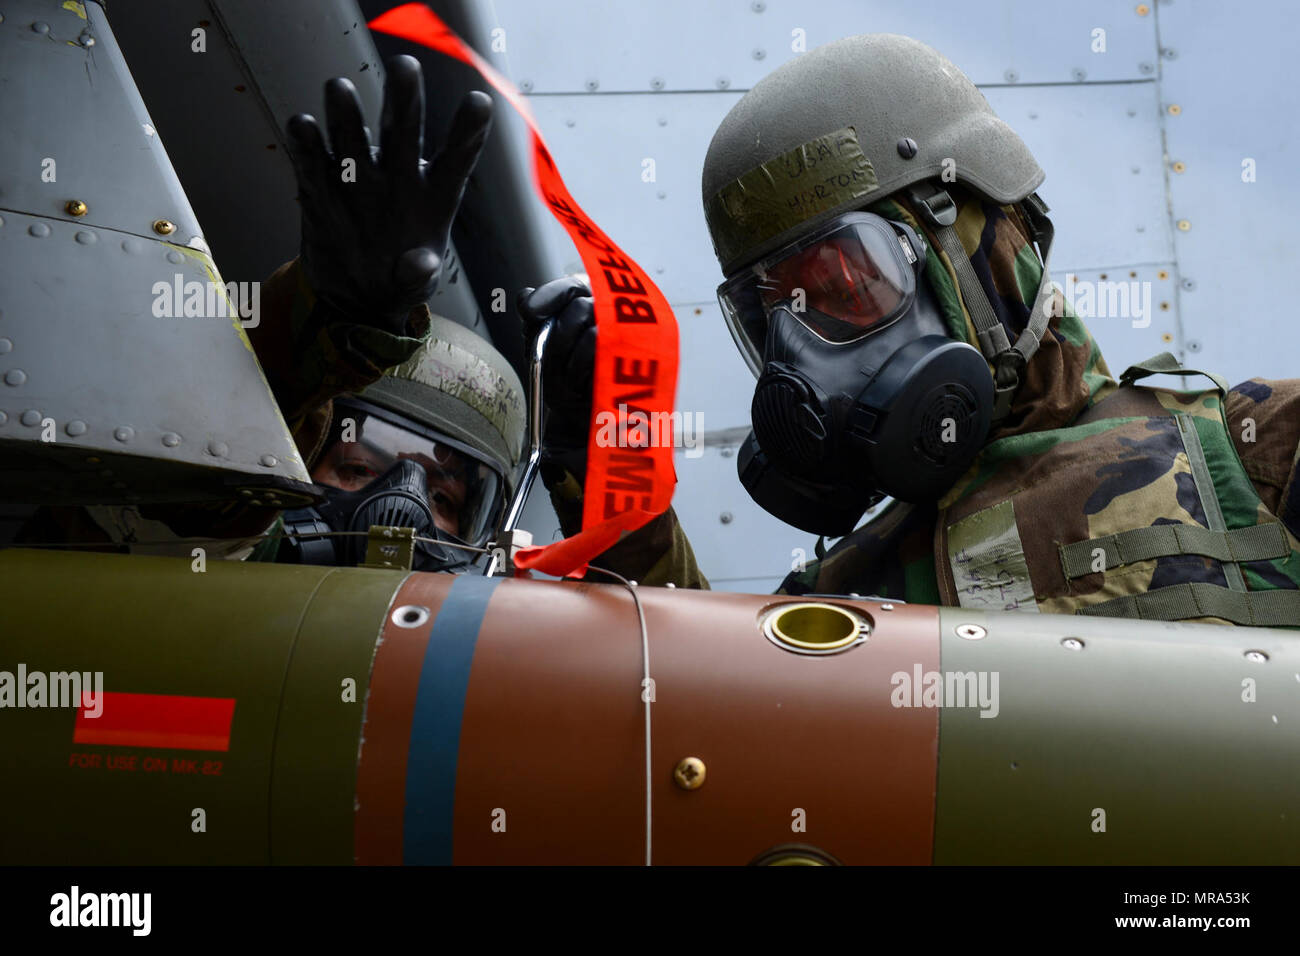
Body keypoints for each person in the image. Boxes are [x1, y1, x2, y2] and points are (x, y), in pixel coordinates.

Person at [522, 33, 1300, 626]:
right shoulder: (835, 604)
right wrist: (604, 460)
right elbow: (681, 716)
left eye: (843, 283)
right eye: (775, 320)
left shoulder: (1256, 453)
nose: (807, 361)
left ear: (980, 242)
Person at [14, 55, 515, 569]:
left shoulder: (486, 647)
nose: (399, 513)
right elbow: (195, 490)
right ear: (298, 453)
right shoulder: (173, 559)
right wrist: (340, 320)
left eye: (443, 501)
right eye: (360, 468)